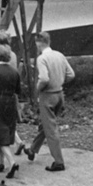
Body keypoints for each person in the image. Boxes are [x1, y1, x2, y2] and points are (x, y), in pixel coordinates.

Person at [22, 31, 73, 172]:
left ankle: (59, 162)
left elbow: (43, 78)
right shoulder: (59, 55)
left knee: (51, 130)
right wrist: (59, 82)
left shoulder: (41, 58)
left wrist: (37, 90)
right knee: (46, 124)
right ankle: (32, 150)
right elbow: (71, 74)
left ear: (38, 43)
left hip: (47, 96)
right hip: (59, 94)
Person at [0, 44, 23, 177]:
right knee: (5, 132)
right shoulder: (15, 72)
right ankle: (0, 162)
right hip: (10, 102)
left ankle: (12, 163)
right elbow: (18, 90)